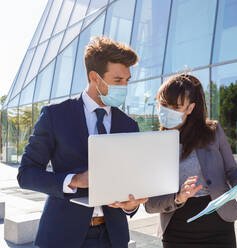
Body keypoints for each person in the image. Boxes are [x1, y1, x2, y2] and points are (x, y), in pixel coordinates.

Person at [17, 37, 147, 248]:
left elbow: (130, 181)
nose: (124, 87)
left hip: (113, 238)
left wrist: (131, 205)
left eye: (127, 80)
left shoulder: (129, 125)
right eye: (117, 80)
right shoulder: (55, 116)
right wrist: (74, 180)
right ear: (95, 77)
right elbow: (26, 174)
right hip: (62, 236)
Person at [144, 74, 237, 248]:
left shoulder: (212, 131)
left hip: (219, 225)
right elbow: (150, 204)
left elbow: (231, 170)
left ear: (190, 108)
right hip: (176, 229)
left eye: (176, 106)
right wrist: (178, 197)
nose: (168, 110)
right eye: (164, 104)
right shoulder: (155, 144)